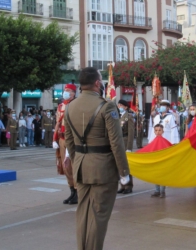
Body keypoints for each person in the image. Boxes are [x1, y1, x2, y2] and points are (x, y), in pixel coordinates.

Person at [64, 67, 130, 250]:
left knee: (83, 214)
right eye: (101, 80)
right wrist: (124, 173)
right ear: (97, 83)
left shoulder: (70, 107)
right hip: (103, 168)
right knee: (99, 215)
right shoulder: (107, 105)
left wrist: (80, 160)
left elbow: (69, 141)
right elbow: (116, 143)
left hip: (81, 166)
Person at [53, 84, 78, 204]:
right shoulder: (60, 106)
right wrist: (55, 139)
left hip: (72, 138)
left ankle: (78, 191)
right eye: (65, 90)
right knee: (65, 166)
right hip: (62, 138)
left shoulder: (76, 105)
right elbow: (58, 123)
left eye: (68, 91)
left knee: (73, 165)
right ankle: (72, 190)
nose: (65, 92)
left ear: (73, 93)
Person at [117, 99, 135, 194]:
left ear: (126, 107)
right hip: (118, 143)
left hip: (125, 142)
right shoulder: (117, 116)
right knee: (120, 165)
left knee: (126, 165)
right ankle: (122, 185)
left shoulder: (129, 117)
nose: (119, 106)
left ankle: (128, 185)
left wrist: (129, 148)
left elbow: (131, 133)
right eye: (118, 105)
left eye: (121, 105)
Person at [150, 124, 168, 198]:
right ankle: (157, 191)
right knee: (156, 176)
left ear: (163, 131)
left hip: (162, 162)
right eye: (156, 130)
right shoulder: (153, 141)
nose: (158, 132)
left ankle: (162, 191)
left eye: (159, 130)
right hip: (155, 161)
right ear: (154, 131)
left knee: (162, 176)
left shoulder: (164, 141)